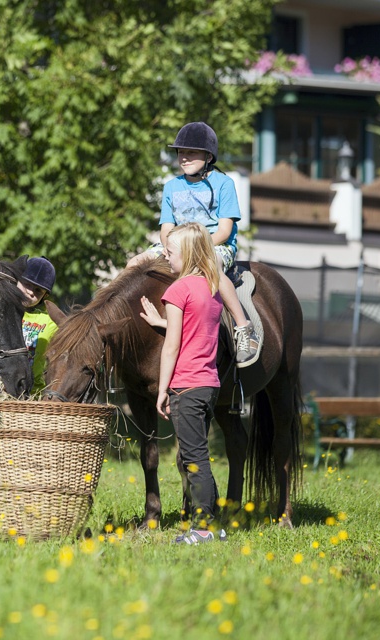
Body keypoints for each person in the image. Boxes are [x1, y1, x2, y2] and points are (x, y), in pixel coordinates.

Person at [128, 122, 260, 368]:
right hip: (176, 247)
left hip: (214, 247)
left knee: (213, 269)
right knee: (133, 263)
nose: (184, 158)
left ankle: (243, 328)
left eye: (191, 152)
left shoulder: (224, 184)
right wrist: (172, 248)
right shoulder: (171, 186)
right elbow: (166, 229)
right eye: (180, 152)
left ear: (208, 156)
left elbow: (224, 230)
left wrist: (193, 249)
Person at [140, 222, 226, 545]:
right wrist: (161, 320)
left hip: (186, 386)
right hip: (209, 385)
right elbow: (195, 328)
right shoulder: (211, 286)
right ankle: (213, 525)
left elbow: (173, 346)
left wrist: (162, 390)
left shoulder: (178, 290)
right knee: (199, 455)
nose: (165, 254)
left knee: (193, 459)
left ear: (187, 254)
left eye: (170, 251)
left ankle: (202, 528)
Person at [17, 257, 58, 395]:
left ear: (45, 295)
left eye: (38, 291)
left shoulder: (50, 321)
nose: (30, 292)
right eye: (26, 284)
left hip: (33, 397)